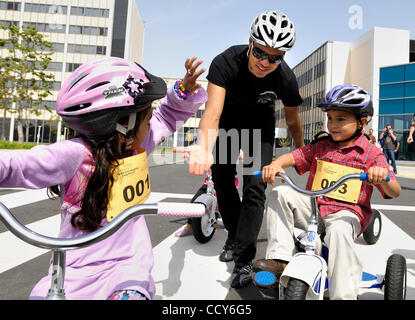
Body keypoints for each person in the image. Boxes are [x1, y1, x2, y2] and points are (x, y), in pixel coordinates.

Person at [0, 56, 207, 300]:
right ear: (124, 125)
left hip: (127, 271)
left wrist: (183, 90)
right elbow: (15, 165)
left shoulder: (136, 147)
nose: (152, 124)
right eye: (147, 119)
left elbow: (167, 117)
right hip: (73, 271)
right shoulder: (74, 155)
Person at [175, 10, 304, 288]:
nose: (265, 62)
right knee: (222, 179)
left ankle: (245, 258)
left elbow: (293, 121)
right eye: (259, 53)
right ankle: (234, 235)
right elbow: (211, 113)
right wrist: (202, 147)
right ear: (250, 42)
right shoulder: (225, 62)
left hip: (260, 130)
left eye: (274, 57)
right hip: (228, 124)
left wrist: (304, 154)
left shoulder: (285, 78)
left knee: (255, 188)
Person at [252, 85, 401, 299]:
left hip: (346, 214)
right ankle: (280, 259)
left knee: (339, 232)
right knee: (281, 193)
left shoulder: (371, 154)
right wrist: (276, 165)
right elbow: (295, 156)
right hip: (314, 209)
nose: (332, 125)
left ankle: (343, 294)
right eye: (330, 118)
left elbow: (394, 191)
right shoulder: (321, 146)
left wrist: (381, 175)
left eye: (341, 119)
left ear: (362, 122)